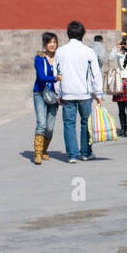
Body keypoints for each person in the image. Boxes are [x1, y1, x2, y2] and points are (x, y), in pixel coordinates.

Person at [54, 20, 103, 162]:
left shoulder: (60, 52)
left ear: (68, 33)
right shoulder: (88, 51)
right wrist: (98, 93)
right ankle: (86, 153)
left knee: (69, 123)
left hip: (67, 93)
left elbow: (56, 73)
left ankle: (72, 155)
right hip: (84, 93)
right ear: (83, 34)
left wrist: (58, 93)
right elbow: (96, 73)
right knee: (85, 123)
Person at [32, 32, 60, 164]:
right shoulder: (39, 58)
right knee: (42, 124)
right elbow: (41, 77)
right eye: (49, 42)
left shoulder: (60, 58)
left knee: (50, 127)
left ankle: (44, 150)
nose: (52, 45)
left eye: (54, 42)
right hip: (40, 93)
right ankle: (37, 153)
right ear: (45, 44)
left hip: (54, 96)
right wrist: (55, 78)